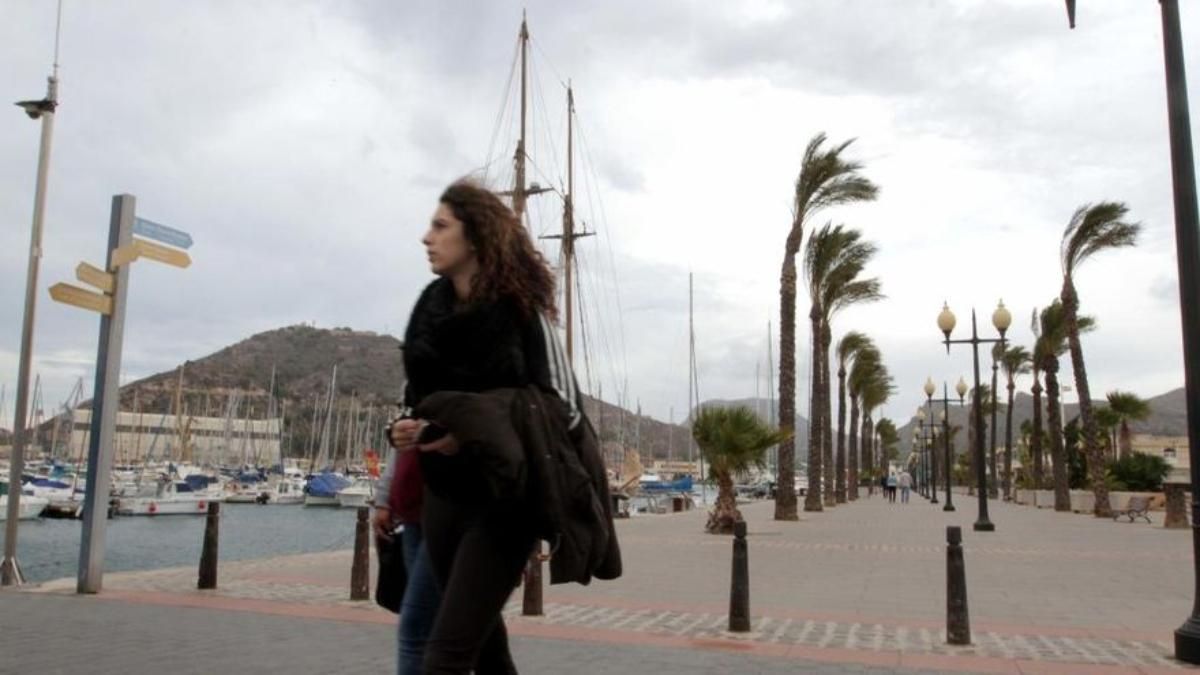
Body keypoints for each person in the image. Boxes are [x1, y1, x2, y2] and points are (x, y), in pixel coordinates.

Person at [388, 180, 619, 674]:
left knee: (443, 657)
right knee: (487, 651)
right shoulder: (429, 311)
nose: (426, 237)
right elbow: (419, 402)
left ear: (474, 237)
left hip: (506, 501)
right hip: (444, 497)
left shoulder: (521, 312)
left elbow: (566, 411)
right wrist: (406, 429)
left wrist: (476, 429)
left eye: (440, 226)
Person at [375, 437, 441, 674]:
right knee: (427, 619)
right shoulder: (419, 404)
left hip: (447, 515)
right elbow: (401, 449)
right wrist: (384, 500)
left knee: (416, 625)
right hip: (412, 518)